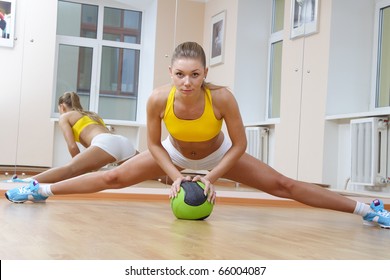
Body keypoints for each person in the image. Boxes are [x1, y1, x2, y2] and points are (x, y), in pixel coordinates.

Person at [5, 42, 390, 229]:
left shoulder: (222, 98)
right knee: (113, 176)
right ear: (170, 72)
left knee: (283, 185)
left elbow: (239, 144)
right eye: (180, 74)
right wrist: (175, 177)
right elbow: (154, 144)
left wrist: (210, 177)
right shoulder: (158, 99)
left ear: (205, 72)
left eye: (195, 74)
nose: (187, 82)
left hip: (219, 155)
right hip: (174, 154)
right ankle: (37, 190)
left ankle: (367, 210)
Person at [10, 91, 137, 184]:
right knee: (151, 167)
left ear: (62, 106)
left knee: (69, 169)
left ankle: (24, 182)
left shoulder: (65, 116)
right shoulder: (92, 115)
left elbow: (72, 146)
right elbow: (95, 150)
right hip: (123, 142)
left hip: (106, 143)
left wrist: (77, 169)